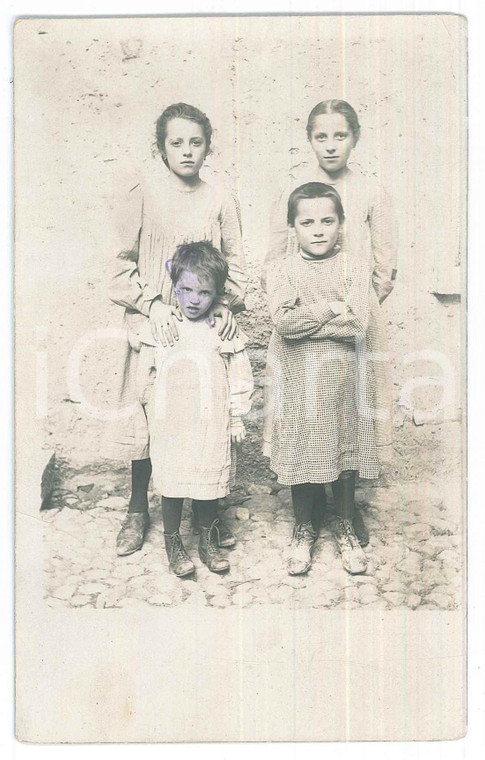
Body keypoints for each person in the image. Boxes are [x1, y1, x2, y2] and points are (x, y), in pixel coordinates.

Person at [108, 103, 248, 557]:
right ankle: (137, 509)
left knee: (201, 415)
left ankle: (208, 512)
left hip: (202, 324)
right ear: (161, 147)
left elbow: (238, 267)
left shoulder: (221, 198)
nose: (187, 152)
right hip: (154, 326)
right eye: (176, 143)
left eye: (196, 142)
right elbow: (117, 267)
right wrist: (151, 306)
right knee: (149, 418)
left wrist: (224, 303)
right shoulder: (143, 192)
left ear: (208, 145)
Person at [262, 99, 395, 543]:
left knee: (347, 414)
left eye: (340, 135)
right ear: (309, 139)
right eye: (322, 136)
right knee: (306, 417)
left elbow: (383, 266)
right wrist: (322, 310)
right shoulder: (292, 189)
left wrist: (353, 303)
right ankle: (309, 508)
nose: (331, 145)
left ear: (355, 137)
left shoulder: (371, 191)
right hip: (303, 325)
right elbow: (275, 259)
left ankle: (346, 507)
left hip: (352, 314)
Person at [265, 182, 377, 576]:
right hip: (298, 382)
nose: (318, 230)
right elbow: (283, 323)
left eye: (327, 220)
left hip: (344, 379)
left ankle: (345, 525)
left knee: (344, 451)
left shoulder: (357, 268)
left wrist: (306, 317)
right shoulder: (281, 270)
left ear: (341, 223)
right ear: (293, 227)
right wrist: (331, 306)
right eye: (307, 221)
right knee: (303, 452)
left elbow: (357, 324)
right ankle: (304, 527)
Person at [137, 242, 253, 576]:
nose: (193, 299)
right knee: (171, 482)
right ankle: (173, 542)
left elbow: (239, 376)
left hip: (210, 422)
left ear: (217, 294)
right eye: (185, 289)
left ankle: (208, 539)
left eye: (203, 292)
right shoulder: (164, 328)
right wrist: (150, 409)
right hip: (171, 423)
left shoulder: (222, 328)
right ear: (173, 287)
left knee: (206, 481)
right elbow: (147, 373)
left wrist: (235, 416)